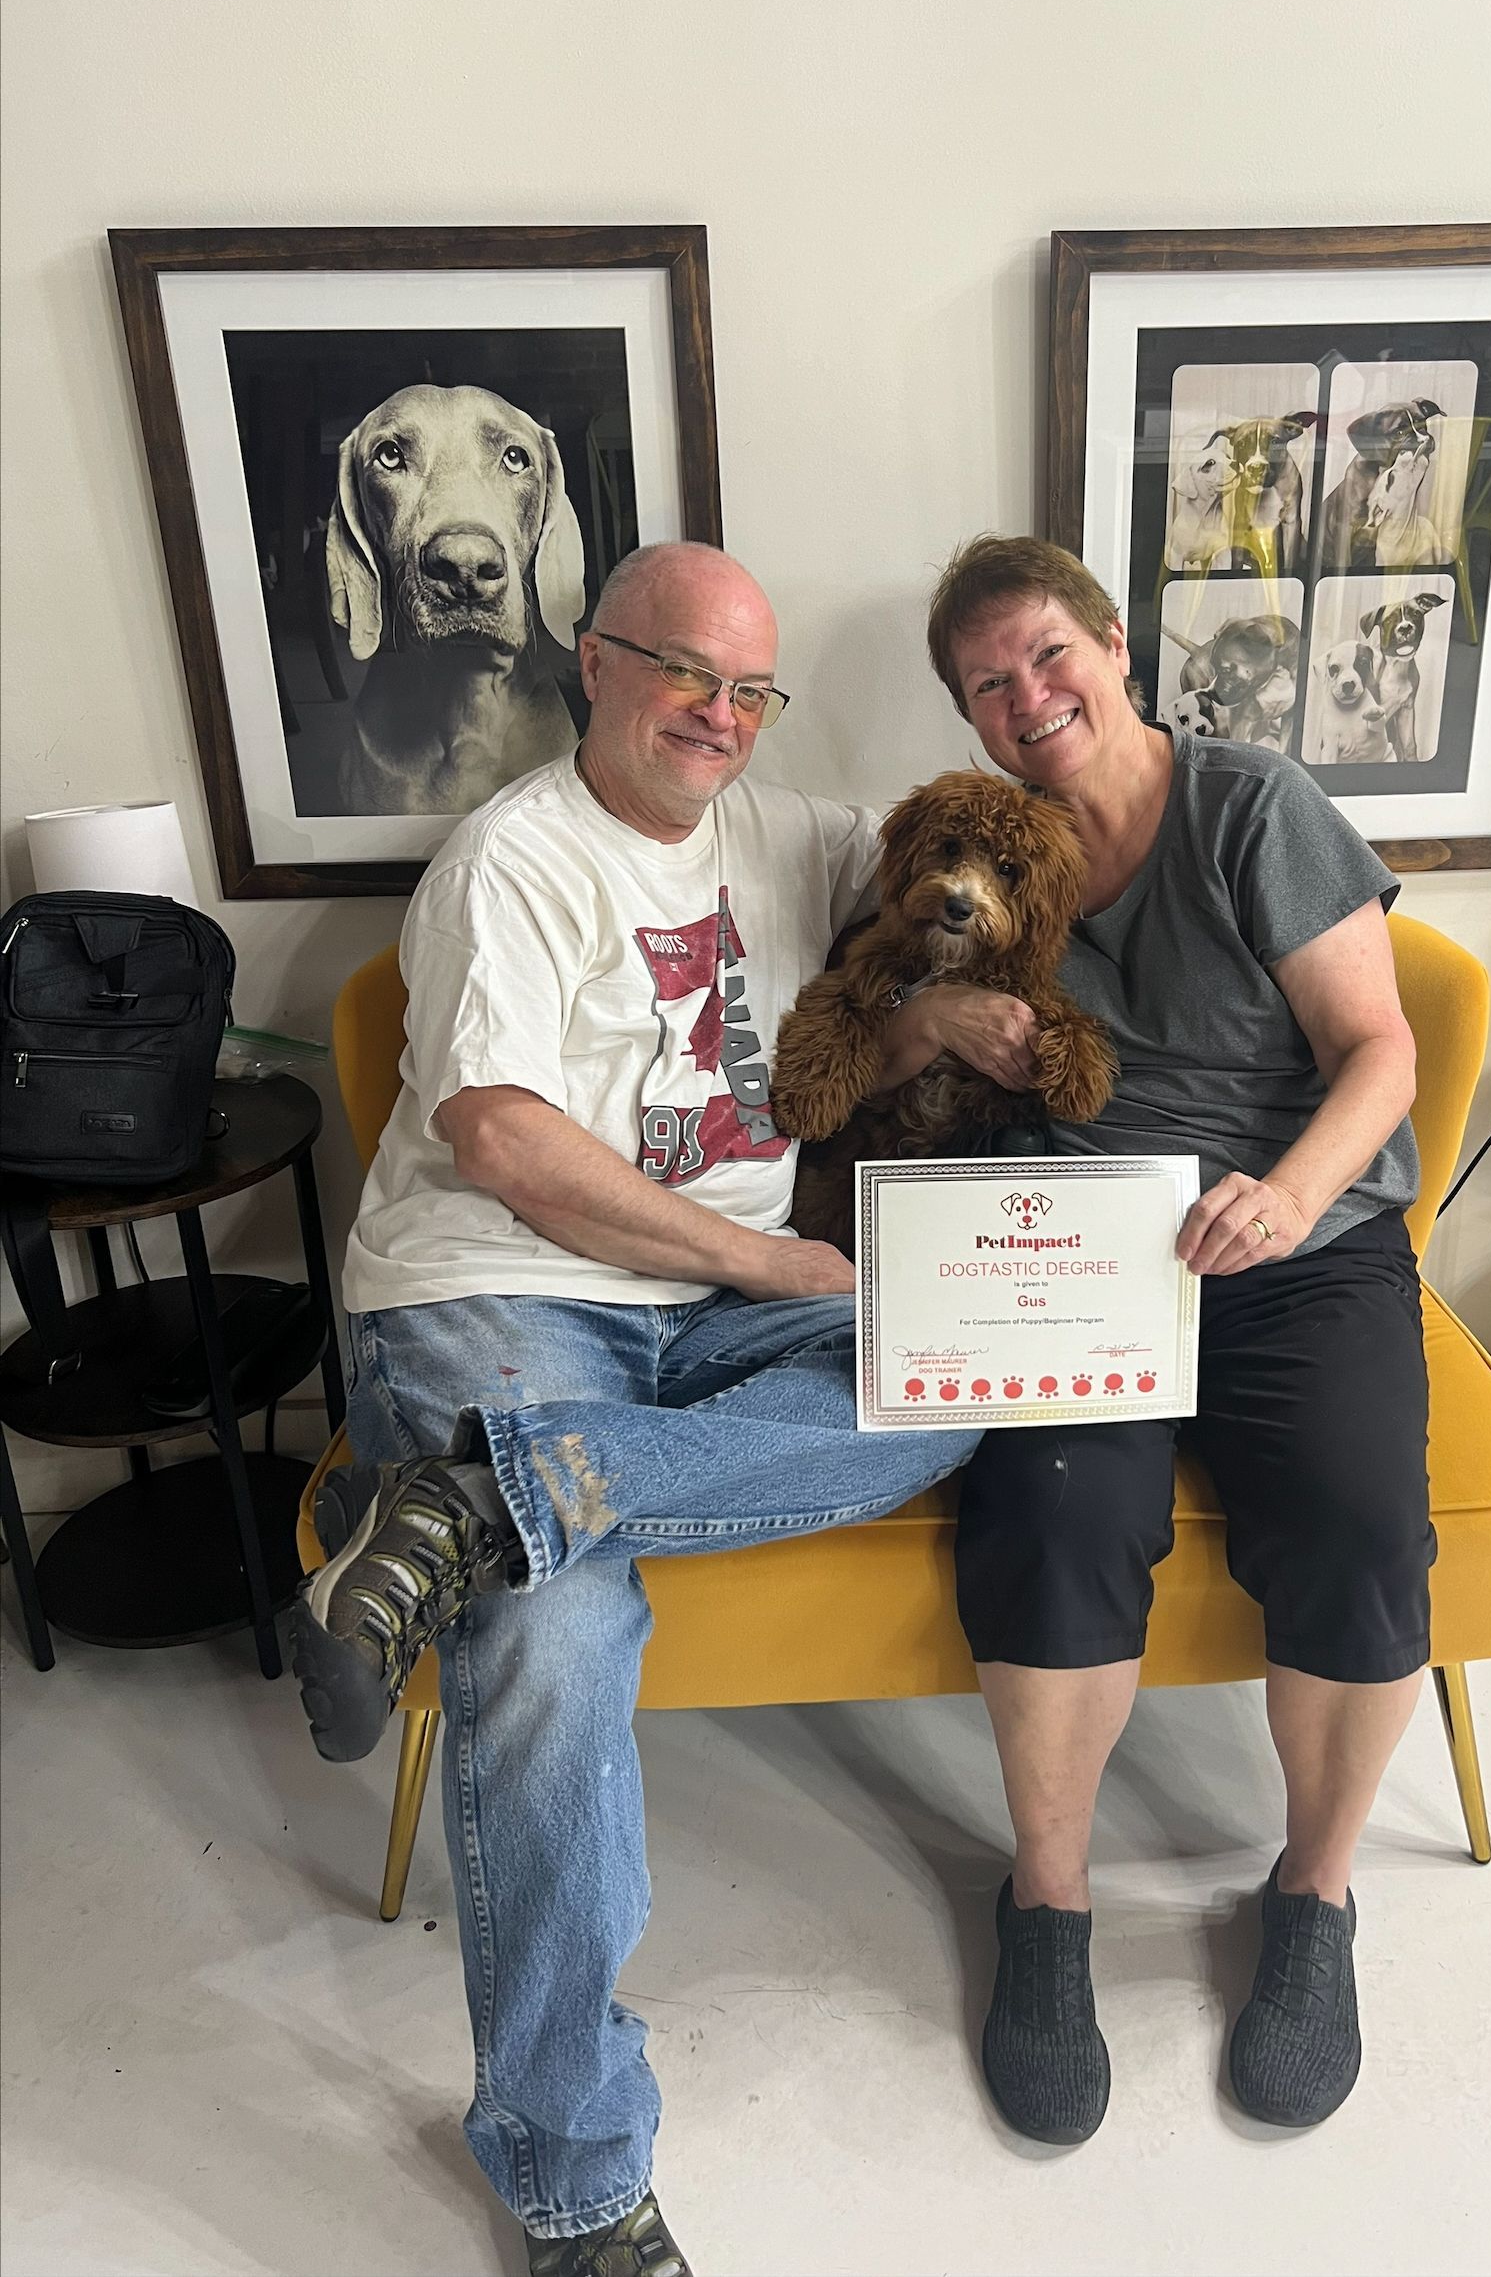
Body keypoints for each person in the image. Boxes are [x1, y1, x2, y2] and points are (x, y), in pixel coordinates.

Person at [293, 543, 981, 2277]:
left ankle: (478, 1499)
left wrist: (959, 1012)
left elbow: (945, 880)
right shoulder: (512, 861)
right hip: (497, 1293)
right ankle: (577, 2178)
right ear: (590, 662)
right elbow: (504, 1141)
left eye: (752, 690)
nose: (720, 717)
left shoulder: (797, 835)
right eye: (684, 673)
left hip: (700, 1331)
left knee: (951, 1388)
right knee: (549, 1638)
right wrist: (763, 1271)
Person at [909, 533, 1432, 2145]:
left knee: (1354, 1522)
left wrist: (1280, 1200)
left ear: (1117, 647)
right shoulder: (988, 853)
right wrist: (933, 1016)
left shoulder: (1253, 804)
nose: (1027, 696)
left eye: (1047, 655)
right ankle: (1048, 1907)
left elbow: (1383, 1051)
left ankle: (1318, 1894)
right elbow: (873, 1005)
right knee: (1053, 1513)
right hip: (1080, 1250)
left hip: (1299, 1243)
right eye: (988, 683)